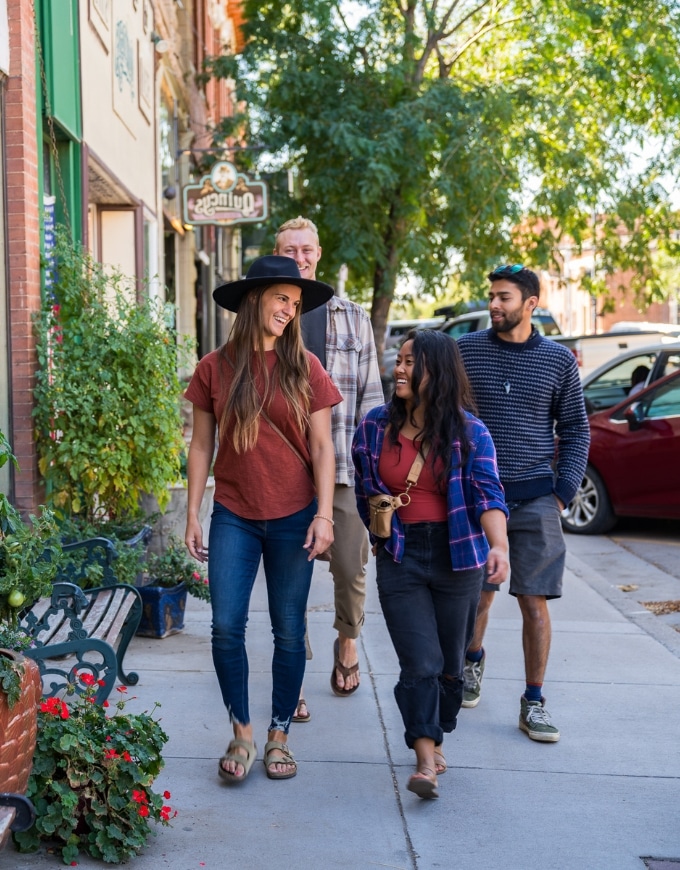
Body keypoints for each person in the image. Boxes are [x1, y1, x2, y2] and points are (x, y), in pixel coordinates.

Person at [184, 255, 342, 783]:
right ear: (254, 299)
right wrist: (191, 513)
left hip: (296, 515)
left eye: (295, 304)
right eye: (281, 298)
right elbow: (201, 444)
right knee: (226, 627)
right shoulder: (215, 367)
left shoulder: (306, 367)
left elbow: (322, 449)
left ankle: (279, 737)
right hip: (234, 513)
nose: (289, 311)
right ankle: (243, 733)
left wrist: (325, 515)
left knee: (289, 631)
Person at [352, 329, 509, 799]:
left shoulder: (469, 433)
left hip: (458, 555)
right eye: (397, 361)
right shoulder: (374, 427)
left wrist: (498, 546)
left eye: (408, 362)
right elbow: (366, 491)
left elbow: (488, 493)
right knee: (418, 660)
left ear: (434, 371)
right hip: (401, 554)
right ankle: (424, 758)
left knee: (449, 667)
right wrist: (380, 532)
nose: (397, 369)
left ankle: (436, 729)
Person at [457, 263, 590, 742]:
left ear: (531, 303)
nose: (493, 304)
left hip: (535, 497)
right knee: (477, 595)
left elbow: (576, 429)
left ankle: (533, 701)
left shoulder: (557, 361)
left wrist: (561, 493)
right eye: (491, 295)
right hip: (477, 496)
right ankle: (471, 663)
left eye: (504, 297)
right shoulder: (465, 351)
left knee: (534, 602)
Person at [274, 217, 383, 718]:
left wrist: (373, 474)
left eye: (307, 249)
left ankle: (347, 640)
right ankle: (292, 667)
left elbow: (371, 401)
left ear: (319, 254)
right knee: (287, 573)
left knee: (348, 566)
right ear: (278, 254)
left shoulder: (353, 317)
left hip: (341, 469)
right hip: (281, 471)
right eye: (289, 249)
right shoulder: (266, 319)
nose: (300, 257)